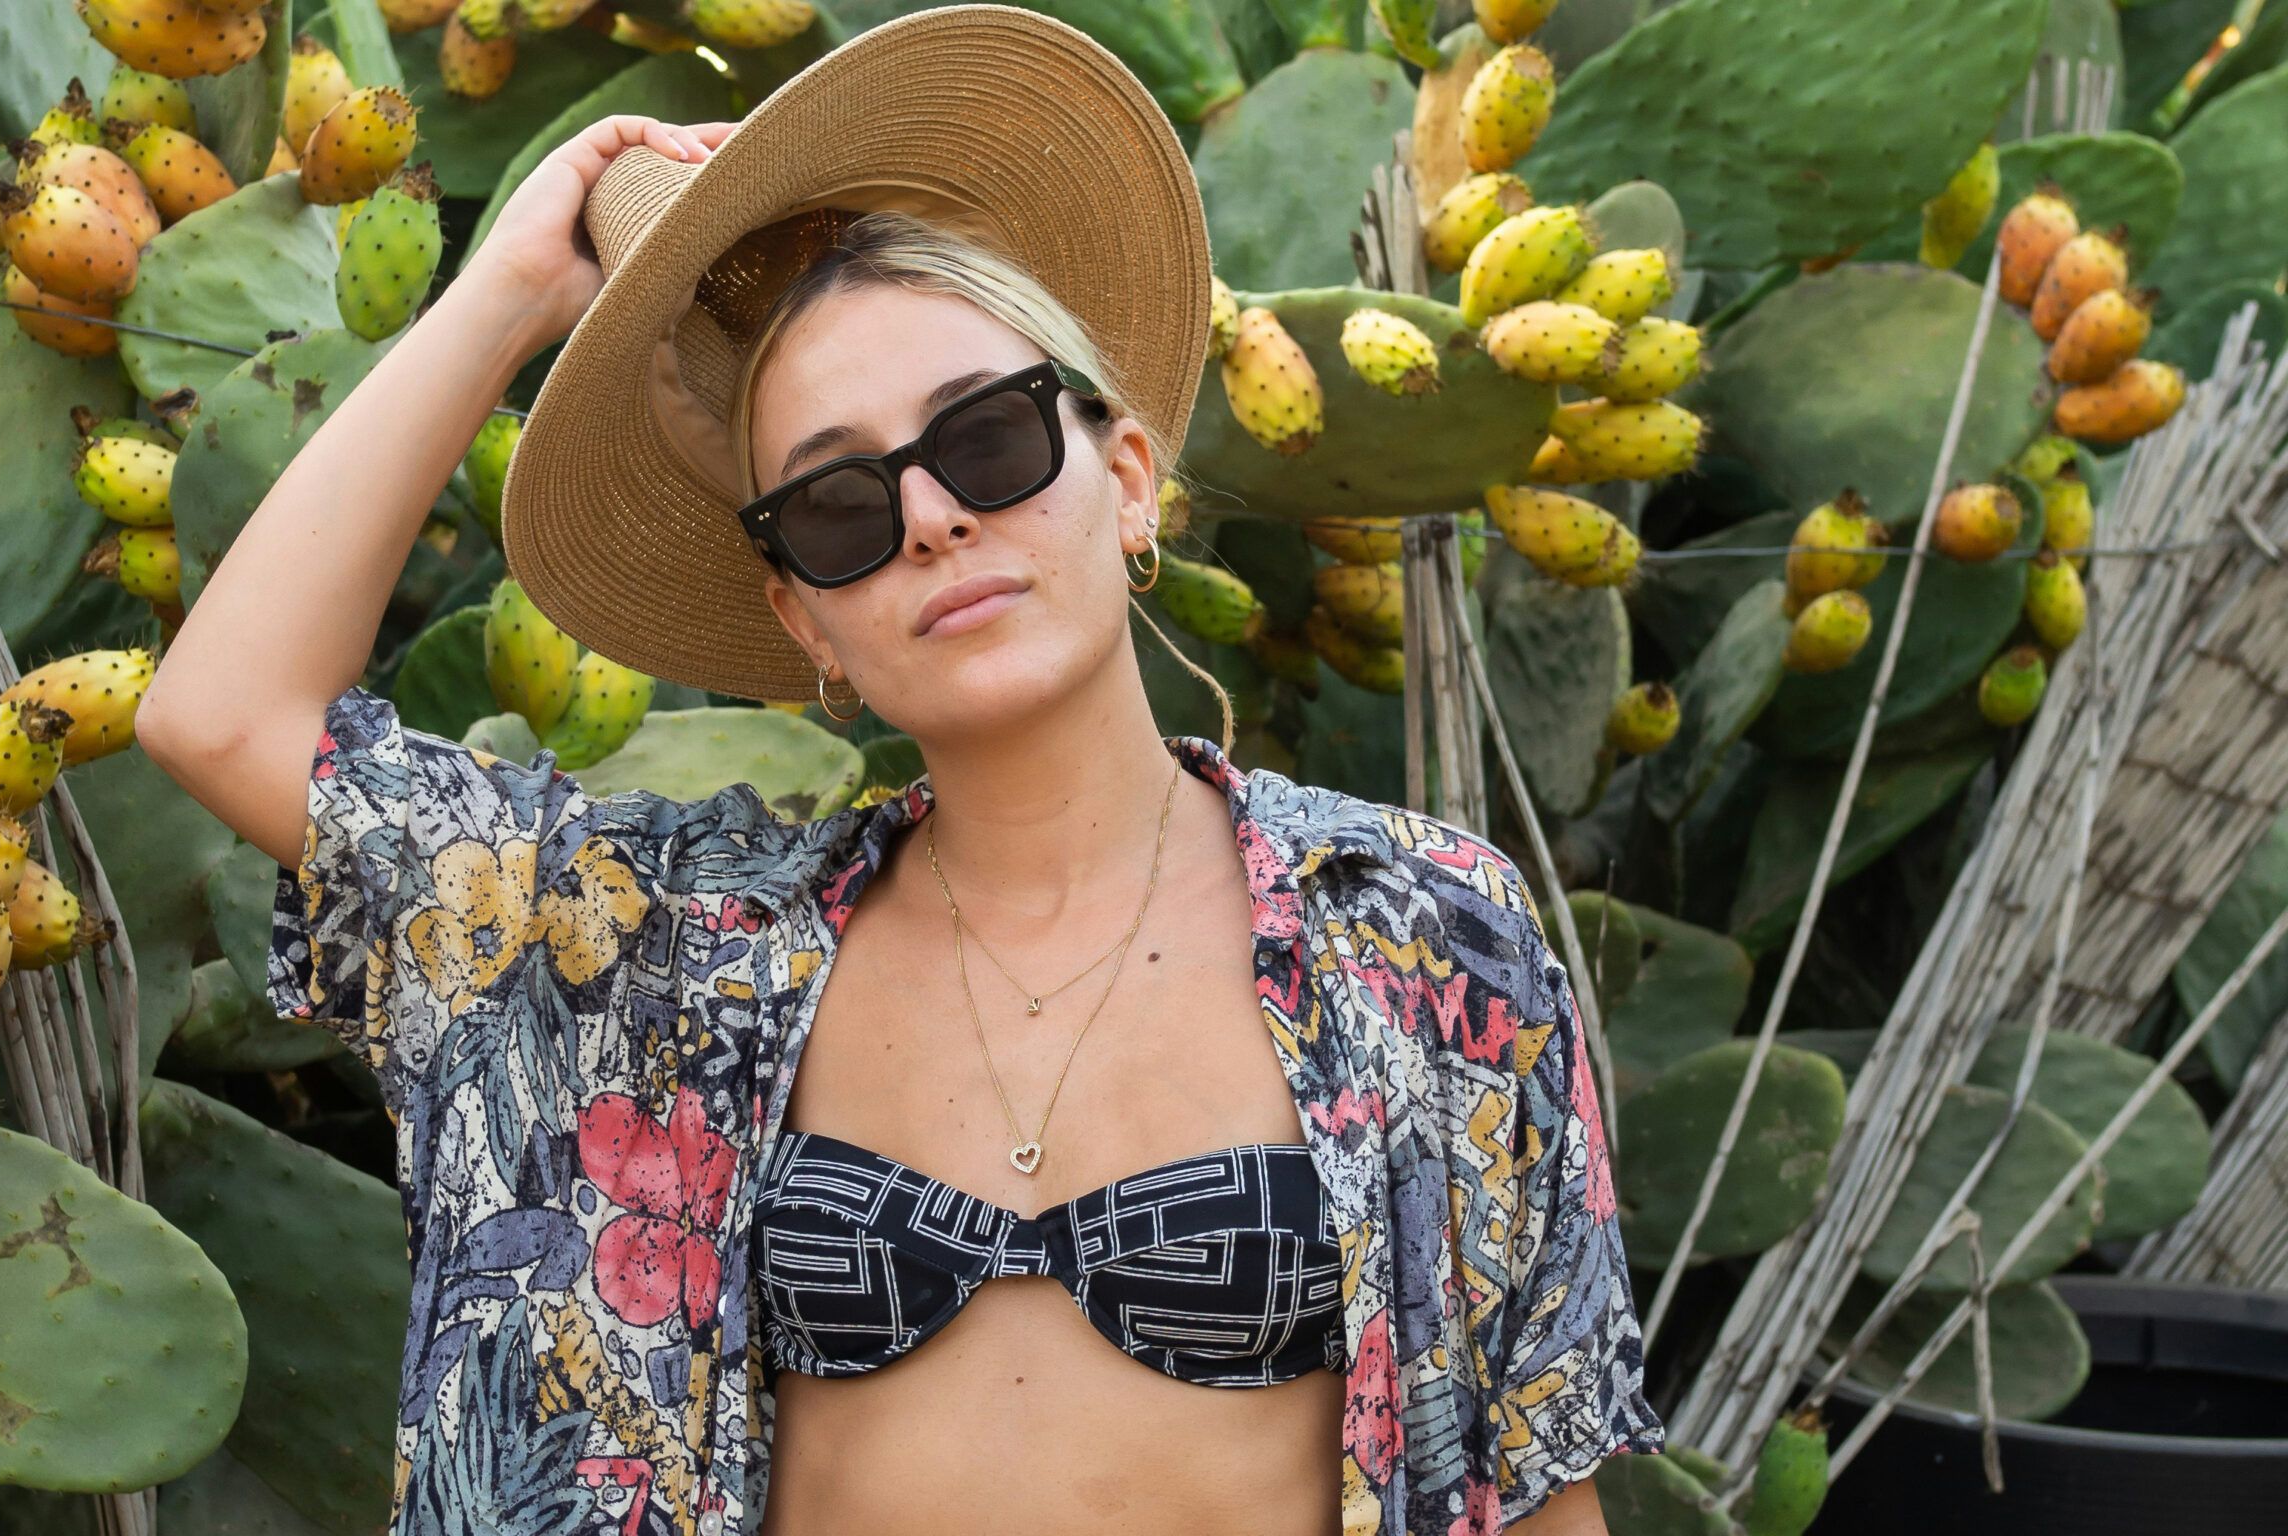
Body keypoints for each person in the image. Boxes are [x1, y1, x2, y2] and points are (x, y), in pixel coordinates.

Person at [137, 9, 1660, 1535]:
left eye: (987, 441)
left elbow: (1540, 1496)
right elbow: (224, 715)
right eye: (841, 505)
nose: (931, 518)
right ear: (806, 615)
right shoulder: (668, 959)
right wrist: (512, 291)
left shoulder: (1411, 930)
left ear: (1125, 478)